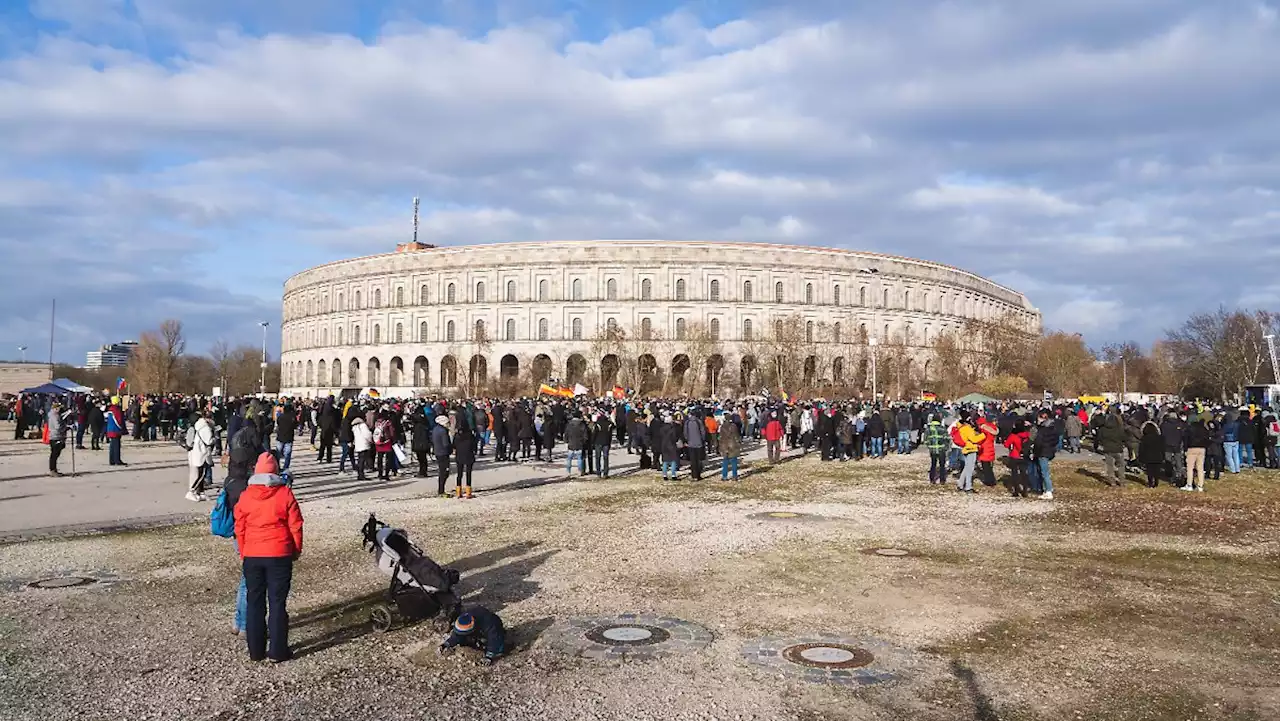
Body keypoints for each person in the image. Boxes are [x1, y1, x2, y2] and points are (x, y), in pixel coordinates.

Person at [234, 453, 303, 663]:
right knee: (277, 603)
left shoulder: (246, 496)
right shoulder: (285, 494)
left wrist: (244, 551)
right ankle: (277, 651)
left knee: (254, 602)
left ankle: (256, 651)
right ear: (275, 471)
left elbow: (240, 527)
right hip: (279, 553)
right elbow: (296, 525)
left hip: (253, 554)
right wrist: (296, 549)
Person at [437, 607, 506, 666]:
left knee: (498, 648)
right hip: (476, 630)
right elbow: (456, 635)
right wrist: (446, 644)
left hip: (495, 629)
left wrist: (489, 656)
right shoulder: (462, 619)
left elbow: (494, 639)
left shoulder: (490, 624)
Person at [186, 411, 216, 502]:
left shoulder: (199, 426)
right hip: (202, 452)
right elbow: (209, 441)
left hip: (199, 451)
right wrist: (215, 438)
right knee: (201, 474)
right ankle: (192, 491)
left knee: (202, 472)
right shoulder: (205, 428)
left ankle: (201, 492)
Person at [1096, 407, 1127, 487]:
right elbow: (1124, 438)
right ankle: (1122, 481)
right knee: (1121, 466)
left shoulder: (1103, 429)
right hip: (1118, 449)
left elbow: (1099, 439)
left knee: (1110, 466)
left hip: (1107, 449)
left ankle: (1112, 482)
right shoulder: (1119, 429)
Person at [956, 413, 985, 493]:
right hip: (971, 449)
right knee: (970, 469)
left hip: (966, 448)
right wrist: (983, 435)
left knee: (966, 467)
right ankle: (968, 487)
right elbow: (974, 439)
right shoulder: (967, 429)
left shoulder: (961, 427)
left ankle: (960, 484)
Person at [1003, 419, 1032, 497]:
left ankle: (1016, 490)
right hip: (1024, 456)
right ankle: (1025, 490)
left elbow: (1006, 444)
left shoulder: (1013, 435)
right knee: (1024, 473)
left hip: (1014, 455)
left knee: (1014, 474)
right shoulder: (1027, 434)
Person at [1184, 414, 1209, 492]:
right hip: (1202, 448)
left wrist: (1185, 449)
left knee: (1190, 468)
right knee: (1200, 468)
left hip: (1191, 448)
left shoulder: (1189, 428)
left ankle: (1189, 485)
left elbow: (1186, 439)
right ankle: (1200, 486)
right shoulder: (1204, 428)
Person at [1138, 421, 1165, 488]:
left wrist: (1141, 458)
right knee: (1157, 470)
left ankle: (1150, 483)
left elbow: (1141, 449)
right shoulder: (1160, 438)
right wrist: (1163, 456)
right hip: (1158, 456)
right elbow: (1163, 448)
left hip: (1148, 457)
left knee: (1149, 471)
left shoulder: (1144, 438)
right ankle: (1156, 482)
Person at [46, 399, 69, 476]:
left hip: (56, 436)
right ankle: (52, 470)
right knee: (54, 454)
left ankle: (54, 469)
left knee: (56, 454)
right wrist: (65, 427)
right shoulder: (54, 415)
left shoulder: (55, 415)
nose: (60, 409)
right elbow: (57, 426)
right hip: (56, 436)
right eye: (59, 408)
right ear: (55, 408)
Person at [453, 421, 476, 499]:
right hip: (469, 455)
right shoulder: (470, 435)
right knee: (468, 474)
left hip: (459, 455)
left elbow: (454, 445)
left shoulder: (457, 435)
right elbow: (474, 445)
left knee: (459, 474)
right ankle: (468, 492)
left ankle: (458, 492)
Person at [924, 414, 948, 485]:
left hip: (933, 449)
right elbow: (947, 439)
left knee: (933, 464)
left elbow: (925, 439)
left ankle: (932, 479)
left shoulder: (929, 429)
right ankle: (942, 480)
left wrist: (929, 446)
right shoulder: (942, 428)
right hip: (941, 449)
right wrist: (946, 447)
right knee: (942, 465)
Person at [432, 415, 452, 497]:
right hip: (443, 453)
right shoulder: (443, 431)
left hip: (437, 451)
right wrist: (451, 448)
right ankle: (441, 490)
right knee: (444, 472)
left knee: (442, 471)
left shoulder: (435, 429)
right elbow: (446, 443)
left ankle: (441, 489)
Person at [719, 412, 742, 481]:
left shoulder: (722, 426)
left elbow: (720, 437)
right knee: (734, 462)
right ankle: (734, 476)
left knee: (725, 461)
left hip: (724, 445)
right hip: (732, 444)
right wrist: (739, 442)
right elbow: (737, 436)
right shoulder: (734, 426)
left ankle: (724, 476)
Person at [564, 412, 587, 477]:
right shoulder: (582, 425)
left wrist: (566, 441)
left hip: (571, 443)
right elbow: (585, 436)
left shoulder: (569, 424)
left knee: (569, 459)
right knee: (579, 458)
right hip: (579, 444)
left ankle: (568, 471)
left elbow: (566, 434)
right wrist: (583, 442)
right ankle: (580, 471)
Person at [275, 403, 296, 472]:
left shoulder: (280, 416)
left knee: (278, 454)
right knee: (287, 454)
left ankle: (277, 467)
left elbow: (278, 423)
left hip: (280, 437)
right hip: (289, 438)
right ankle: (285, 468)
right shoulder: (293, 417)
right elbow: (295, 426)